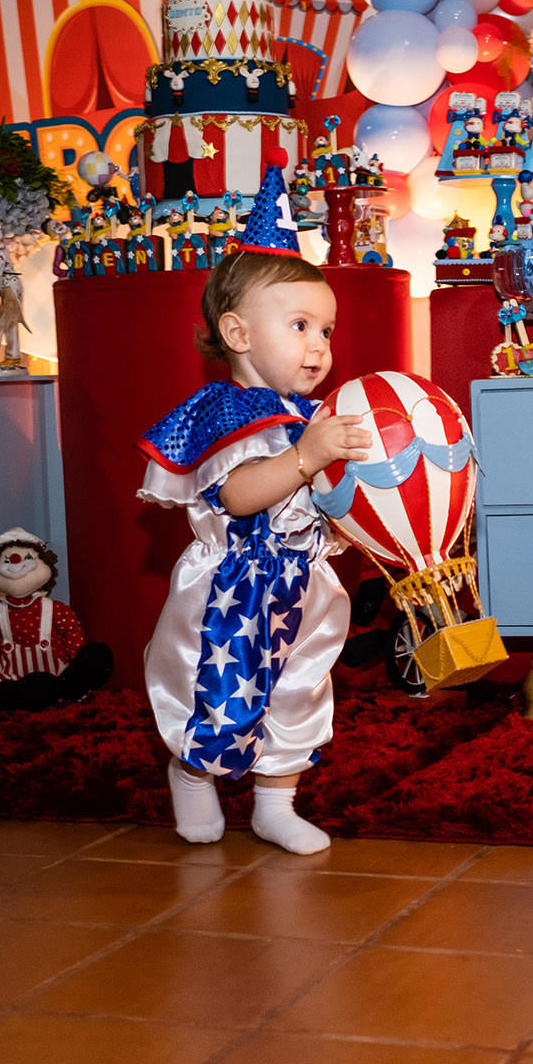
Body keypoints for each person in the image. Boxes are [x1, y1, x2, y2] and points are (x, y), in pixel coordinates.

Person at [137, 159, 372, 852]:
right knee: (221, 691)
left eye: (326, 331)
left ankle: (276, 801)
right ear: (238, 334)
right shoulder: (225, 413)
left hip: (305, 585)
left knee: (300, 690)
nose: (319, 345)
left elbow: (324, 499)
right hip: (231, 587)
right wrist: (305, 458)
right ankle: (192, 773)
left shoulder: (309, 417)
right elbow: (240, 495)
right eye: (299, 325)